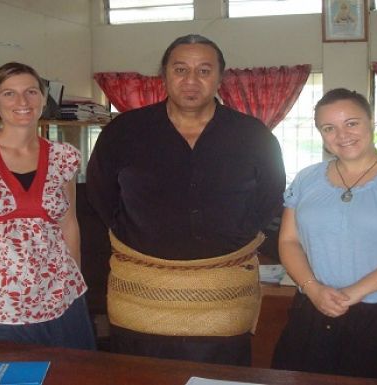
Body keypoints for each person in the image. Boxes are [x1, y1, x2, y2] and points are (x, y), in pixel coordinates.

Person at [86, 34, 286, 366]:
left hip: (224, 300)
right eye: (180, 69)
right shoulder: (124, 132)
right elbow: (100, 195)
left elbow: (268, 198)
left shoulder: (253, 136)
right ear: (163, 74)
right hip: (140, 299)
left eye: (204, 70)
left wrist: (234, 235)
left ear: (220, 77)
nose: (191, 80)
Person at [271, 88, 377, 385]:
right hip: (315, 308)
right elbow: (289, 241)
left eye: (351, 123)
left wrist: (353, 293)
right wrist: (313, 290)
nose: (342, 134)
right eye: (329, 128)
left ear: (371, 123)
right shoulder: (307, 179)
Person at [0, 62, 96, 350]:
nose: (22, 102)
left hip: (59, 299)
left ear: (44, 99)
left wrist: (75, 284)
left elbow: (68, 224)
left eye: (31, 92)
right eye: (9, 94)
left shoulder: (62, 157)